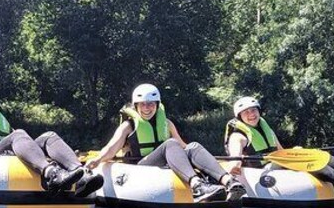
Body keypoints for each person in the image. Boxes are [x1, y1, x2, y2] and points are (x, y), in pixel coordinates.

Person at [86, 84, 245, 202]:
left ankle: (229, 182)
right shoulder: (128, 126)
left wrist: (204, 163)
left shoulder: (166, 123)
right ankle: (197, 186)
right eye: (143, 104)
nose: (147, 108)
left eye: (151, 104)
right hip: (140, 168)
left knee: (193, 146)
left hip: (163, 166)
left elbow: (183, 148)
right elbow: (111, 149)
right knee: (170, 144)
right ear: (136, 106)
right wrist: (98, 160)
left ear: (157, 105)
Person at [224, 96, 334, 196]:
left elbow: (281, 151)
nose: (251, 115)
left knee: (319, 155)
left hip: (275, 162)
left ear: (258, 111)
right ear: (240, 117)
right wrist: (236, 164)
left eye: (253, 110)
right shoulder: (239, 135)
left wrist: (295, 153)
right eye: (246, 113)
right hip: (260, 169)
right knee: (303, 159)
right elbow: (234, 160)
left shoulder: (264, 126)